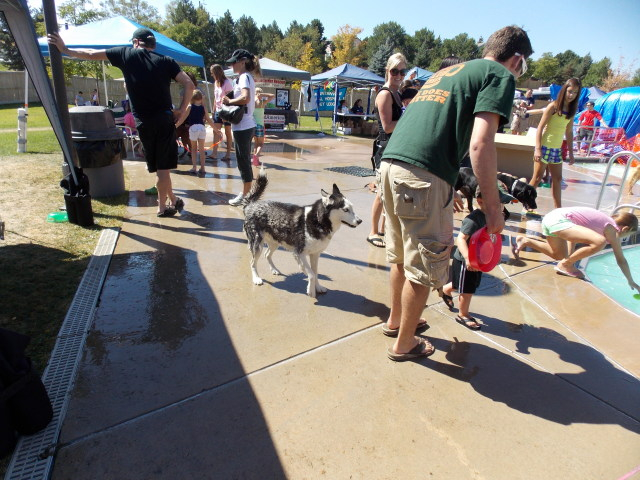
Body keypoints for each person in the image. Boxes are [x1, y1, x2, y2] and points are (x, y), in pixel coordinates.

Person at [379, 26, 532, 361]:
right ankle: (404, 344)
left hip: (390, 165)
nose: (520, 73)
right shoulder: (499, 75)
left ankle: (395, 321)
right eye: (523, 66)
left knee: (402, 257)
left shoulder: (448, 73)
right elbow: (480, 144)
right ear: (517, 58)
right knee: (425, 264)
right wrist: (493, 207)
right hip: (423, 173)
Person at [49, 28, 194, 217]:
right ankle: (165, 204)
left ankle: (167, 203)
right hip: (164, 119)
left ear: (135, 42)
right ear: (153, 45)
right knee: (163, 169)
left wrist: (66, 50)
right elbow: (189, 84)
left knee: (160, 169)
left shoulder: (125, 54)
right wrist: (182, 109)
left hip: (143, 122)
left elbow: (91, 54)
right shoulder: (166, 61)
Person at [441, 183, 515, 330]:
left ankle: (445, 290)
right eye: (498, 203)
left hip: (478, 260)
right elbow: (460, 239)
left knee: (465, 285)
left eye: (503, 203)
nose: (502, 207)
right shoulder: (473, 220)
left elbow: (491, 238)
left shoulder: (493, 217)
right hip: (465, 260)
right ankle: (463, 315)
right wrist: (468, 258)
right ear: (480, 202)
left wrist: (493, 255)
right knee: (466, 289)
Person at [512, 207, 639, 291]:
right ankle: (565, 264)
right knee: (600, 242)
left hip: (550, 219)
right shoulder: (612, 229)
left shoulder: (602, 224)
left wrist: (567, 257)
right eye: (628, 235)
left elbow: (573, 237)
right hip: (558, 220)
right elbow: (621, 259)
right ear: (625, 229)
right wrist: (631, 281)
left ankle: (526, 241)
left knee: (558, 255)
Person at [367, 53, 407, 250]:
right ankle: (373, 231)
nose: (398, 75)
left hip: (395, 148)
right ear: (387, 71)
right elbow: (388, 126)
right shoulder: (385, 94)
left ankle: (383, 229)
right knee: (382, 193)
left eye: (402, 71)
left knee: (390, 193)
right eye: (395, 71)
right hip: (385, 149)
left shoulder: (397, 94)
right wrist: (409, 121)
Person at [528, 77, 581, 210]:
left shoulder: (571, 110)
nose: (571, 95)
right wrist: (538, 149)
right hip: (545, 146)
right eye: (569, 91)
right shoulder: (554, 106)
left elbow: (569, 133)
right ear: (564, 90)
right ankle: (526, 204)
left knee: (557, 179)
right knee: (537, 178)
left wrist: (571, 153)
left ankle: (558, 209)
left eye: (575, 93)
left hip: (557, 149)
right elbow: (540, 127)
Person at [222, 48, 260, 206]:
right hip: (244, 124)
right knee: (242, 159)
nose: (232, 66)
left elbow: (245, 98)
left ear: (243, 61)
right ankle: (247, 193)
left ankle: (246, 195)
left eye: (234, 62)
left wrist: (229, 102)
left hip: (243, 125)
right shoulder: (245, 77)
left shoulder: (244, 77)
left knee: (243, 161)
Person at [176, 89, 216, 176]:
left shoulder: (190, 107)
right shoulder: (204, 108)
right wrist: (216, 129)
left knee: (193, 149)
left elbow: (183, 118)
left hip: (193, 128)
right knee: (201, 150)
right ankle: (203, 168)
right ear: (201, 98)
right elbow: (208, 119)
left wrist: (176, 125)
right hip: (202, 128)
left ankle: (194, 167)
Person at [211, 64, 234, 161]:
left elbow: (231, 97)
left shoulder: (227, 83)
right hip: (218, 110)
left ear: (217, 72)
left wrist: (227, 112)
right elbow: (215, 98)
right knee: (215, 131)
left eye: (212, 73)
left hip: (226, 110)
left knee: (227, 132)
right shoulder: (216, 82)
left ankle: (228, 154)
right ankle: (214, 153)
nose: (211, 75)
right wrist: (213, 110)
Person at [252, 87, 275, 166]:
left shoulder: (252, 102)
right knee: (261, 144)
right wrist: (262, 94)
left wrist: (257, 95)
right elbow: (272, 96)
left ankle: (255, 160)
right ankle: (256, 155)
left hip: (252, 125)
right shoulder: (262, 102)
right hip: (260, 125)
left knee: (256, 143)